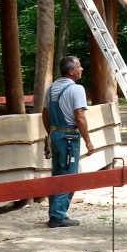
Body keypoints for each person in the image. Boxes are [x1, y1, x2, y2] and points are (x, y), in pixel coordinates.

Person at [41, 56, 95, 228]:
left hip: (54, 135)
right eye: (79, 66)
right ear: (71, 71)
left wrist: (50, 133)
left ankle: (54, 213)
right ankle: (58, 216)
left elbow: (44, 113)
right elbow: (79, 117)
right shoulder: (76, 89)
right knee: (69, 176)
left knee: (56, 174)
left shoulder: (51, 88)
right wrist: (88, 141)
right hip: (69, 138)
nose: (82, 69)